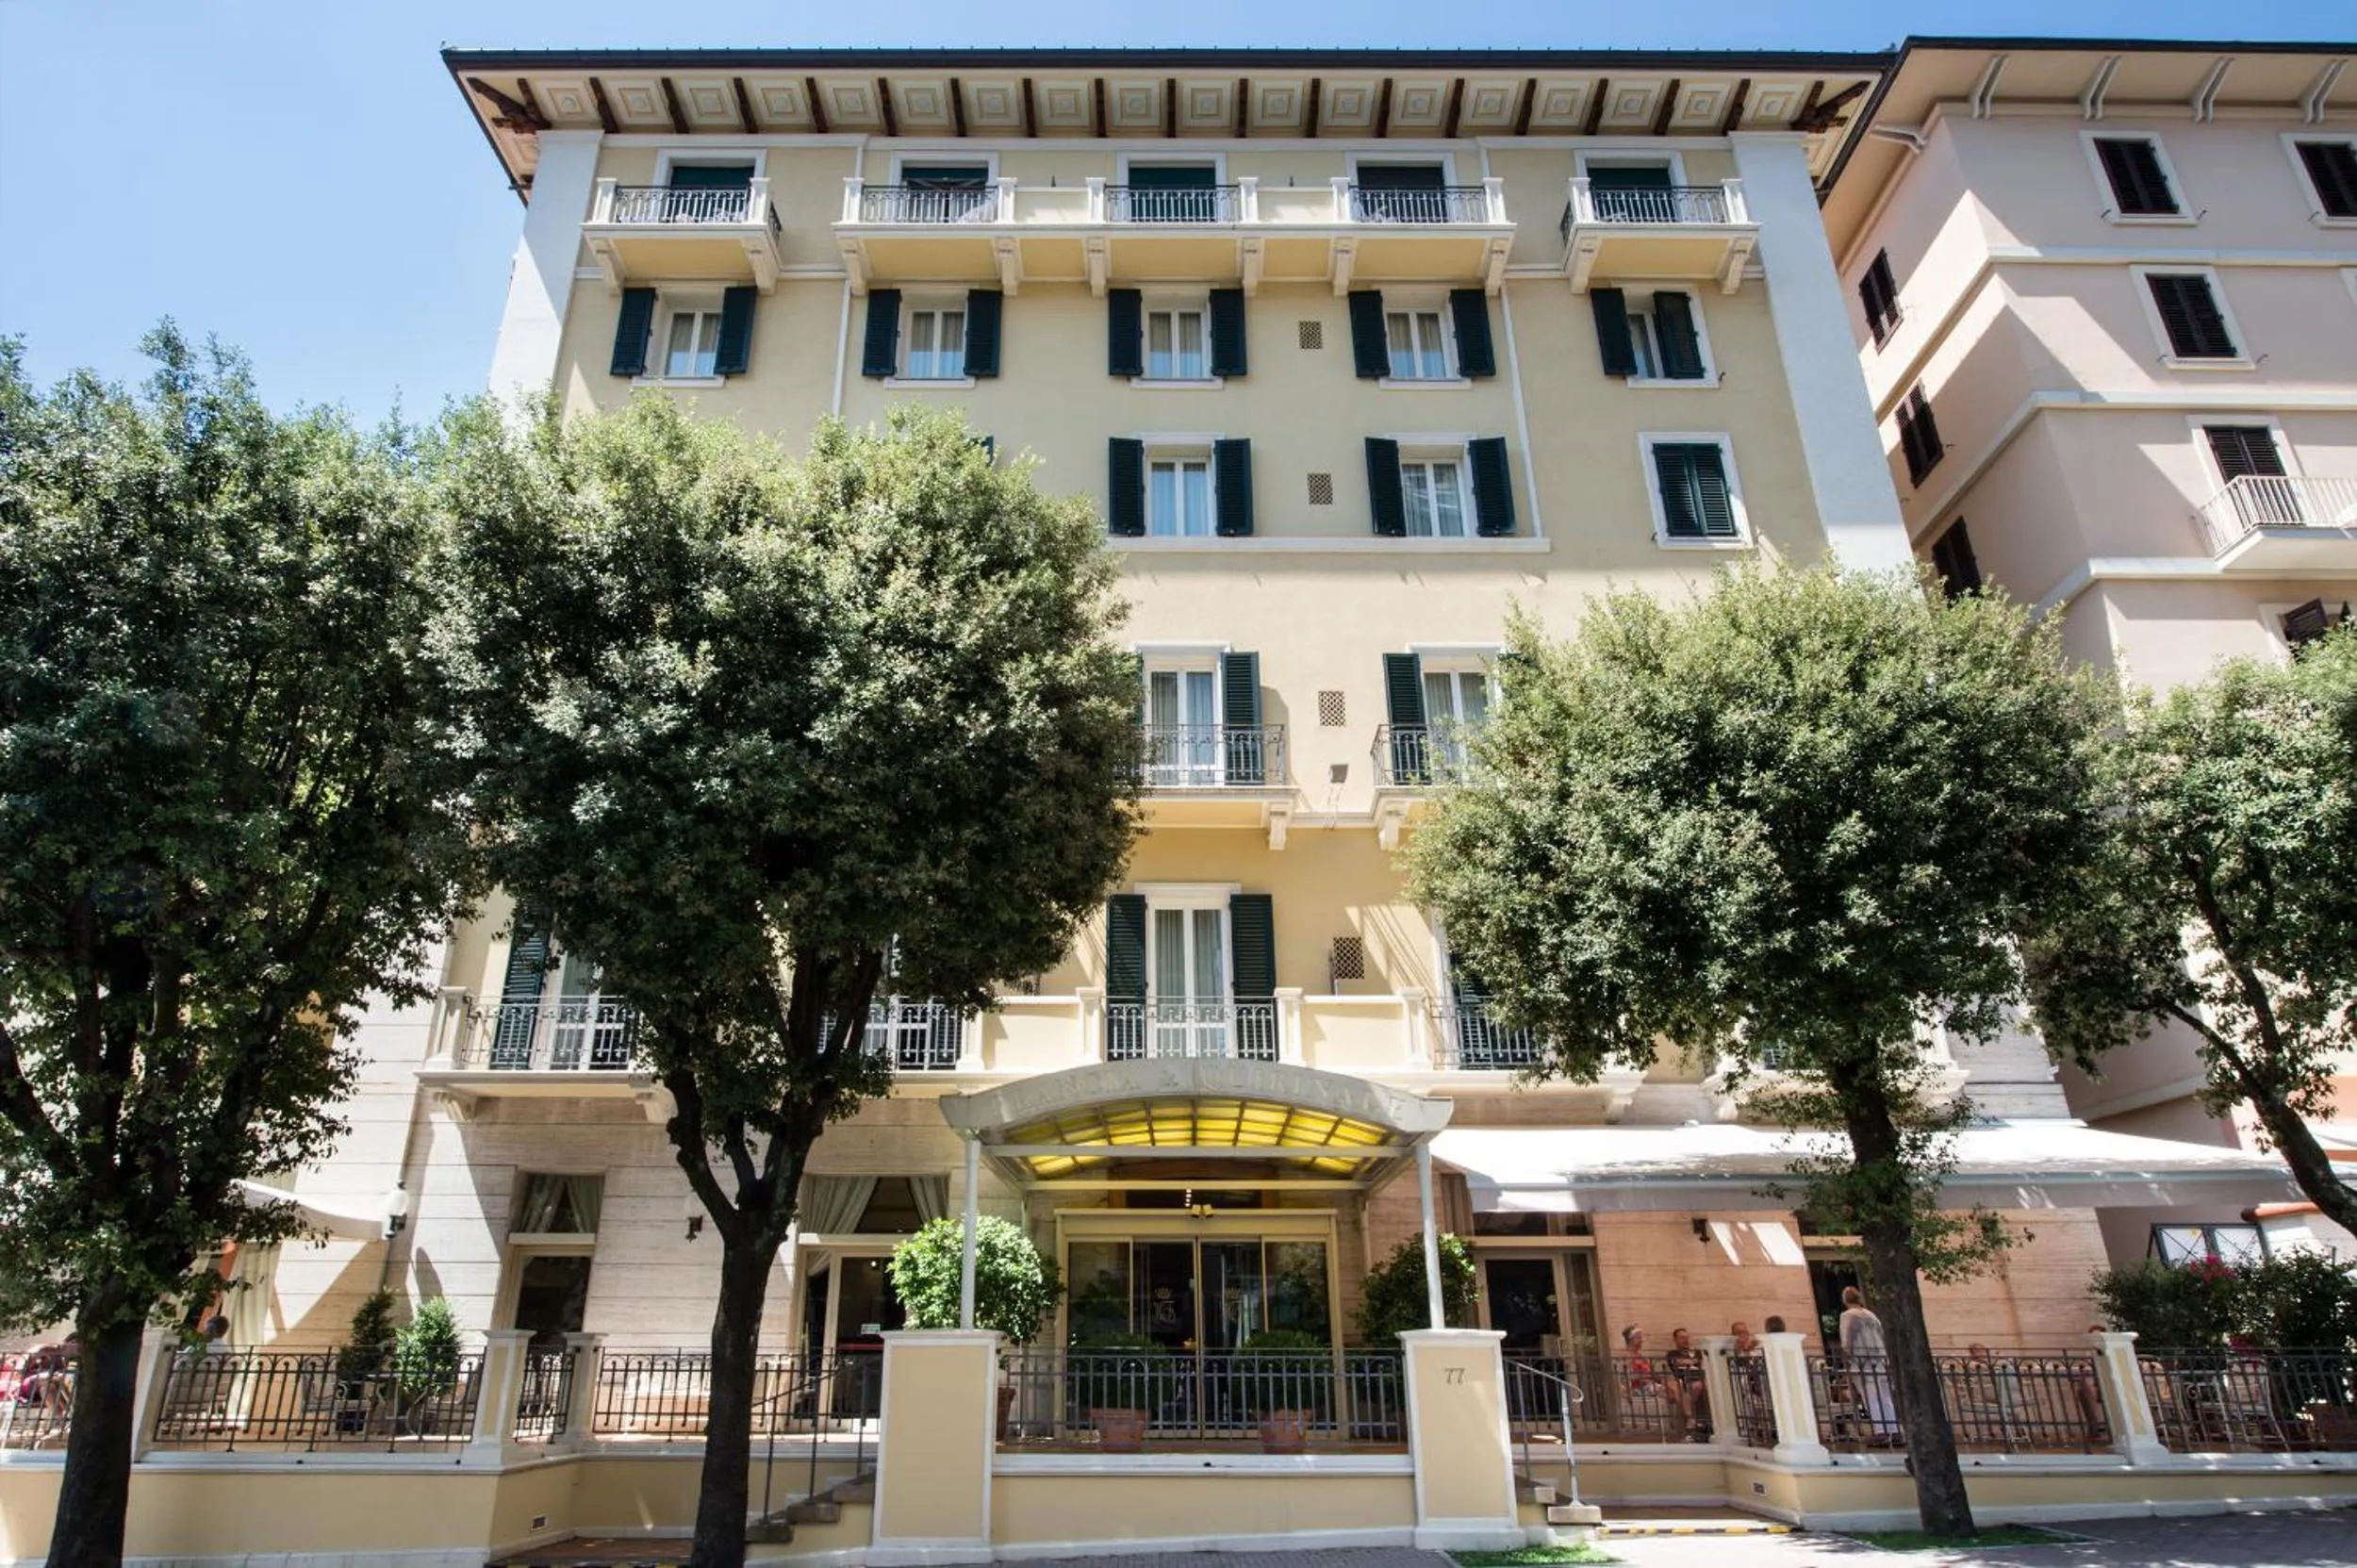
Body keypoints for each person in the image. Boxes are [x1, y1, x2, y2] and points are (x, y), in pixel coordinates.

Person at [1838, 1286, 1902, 1444]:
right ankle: (1894, 1431)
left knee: (1871, 1397)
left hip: (1862, 1361)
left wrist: (1846, 1359)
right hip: (1881, 1360)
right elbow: (1882, 1335)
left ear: (1845, 1300)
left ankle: (1881, 1432)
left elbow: (1847, 1340)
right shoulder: (1872, 1316)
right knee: (1885, 1397)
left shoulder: (1847, 1316)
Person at [1664, 1328, 1711, 1441]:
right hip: (1685, 1381)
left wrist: (1688, 1362)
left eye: (1686, 1337)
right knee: (1693, 1389)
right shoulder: (1672, 1354)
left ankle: (1693, 1423)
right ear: (1675, 1340)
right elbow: (1676, 1365)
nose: (1685, 1340)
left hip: (1700, 1380)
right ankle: (1697, 1423)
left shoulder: (1697, 1352)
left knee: (1698, 1389)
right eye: (1682, 1338)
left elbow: (1703, 1364)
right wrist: (1692, 1362)